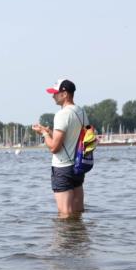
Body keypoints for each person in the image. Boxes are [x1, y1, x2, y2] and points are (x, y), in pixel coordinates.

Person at [32, 79, 86, 218]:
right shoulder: (81, 112)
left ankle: (66, 240)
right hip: (78, 166)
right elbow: (71, 138)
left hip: (63, 168)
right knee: (77, 212)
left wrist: (43, 134)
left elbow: (54, 147)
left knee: (65, 214)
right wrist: (49, 132)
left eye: (56, 93)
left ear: (65, 94)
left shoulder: (62, 114)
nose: (53, 96)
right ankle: (79, 238)